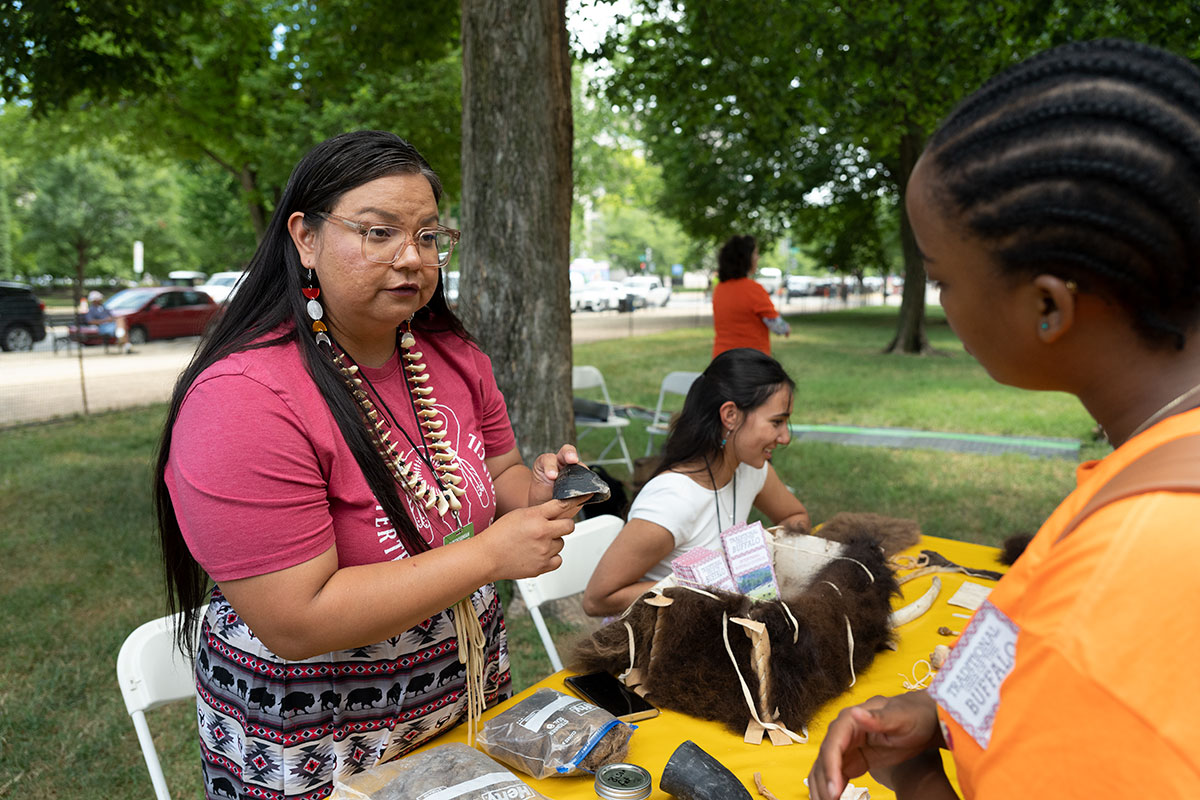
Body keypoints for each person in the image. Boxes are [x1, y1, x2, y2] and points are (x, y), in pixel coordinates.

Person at [808, 39, 1200, 799]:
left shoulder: (1121, 579)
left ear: (1048, 306)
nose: (943, 303)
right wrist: (948, 716)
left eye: (943, 275)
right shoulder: (1157, 469)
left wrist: (920, 778)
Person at [153, 130, 589, 799]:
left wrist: (539, 491)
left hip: (460, 698)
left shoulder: (452, 356)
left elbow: (495, 480)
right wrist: (490, 557)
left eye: (428, 237)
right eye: (379, 232)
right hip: (319, 737)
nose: (410, 257)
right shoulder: (242, 400)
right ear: (305, 237)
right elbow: (295, 619)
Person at [582, 348, 810, 617]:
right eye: (777, 422)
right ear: (730, 416)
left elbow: (796, 516)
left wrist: (765, 552)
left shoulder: (751, 470)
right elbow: (597, 601)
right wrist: (699, 588)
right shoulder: (673, 500)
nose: (785, 437)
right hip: (652, 641)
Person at [711, 234, 790, 357]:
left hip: (721, 361)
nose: (758, 257)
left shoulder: (719, 289)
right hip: (751, 364)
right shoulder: (754, 289)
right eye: (755, 254)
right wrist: (786, 328)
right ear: (746, 259)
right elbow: (777, 326)